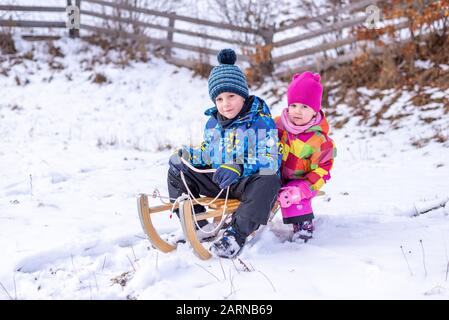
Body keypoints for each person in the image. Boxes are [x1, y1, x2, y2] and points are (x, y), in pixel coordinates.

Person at [167, 49, 281, 258]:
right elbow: (208, 153)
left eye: (231, 96)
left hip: (245, 182)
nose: (225, 103)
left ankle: (236, 234)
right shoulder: (213, 122)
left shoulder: (259, 120)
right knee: (177, 169)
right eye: (219, 99)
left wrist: (239, 166)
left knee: (270, 177)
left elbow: (271, 158)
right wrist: (189, 156)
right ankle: (197, 224)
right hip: (220, 180)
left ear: (243, 94)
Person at [275, 71, 337, 242]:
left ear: (315, 110)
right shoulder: (277, 125)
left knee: (294, 194)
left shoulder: (320, 140)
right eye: (293, 105)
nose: (297, 111)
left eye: (304, 107)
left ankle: (303, 225)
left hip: (304, 180)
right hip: (277, 174)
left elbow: (323, 169)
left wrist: (305, 188)